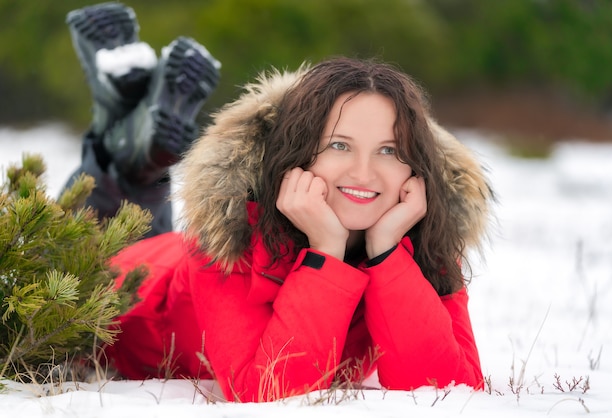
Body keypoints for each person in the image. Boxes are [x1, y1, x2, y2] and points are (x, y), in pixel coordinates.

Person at [97, 55, 495, 402]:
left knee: (134, 198)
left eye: (389, 150)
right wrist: (326, 253)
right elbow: (270, 391)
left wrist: (388, 253)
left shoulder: (421, 239)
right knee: (98, 214)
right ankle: (118, 135)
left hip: (160, 249)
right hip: (120, 283)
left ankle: (134, 150)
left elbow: (447, 388)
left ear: (414, 169)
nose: (363, 173)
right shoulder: (227, 238)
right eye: (339, 145)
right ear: (298, 153)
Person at [63, 2, 221, 236]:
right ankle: (131, 135)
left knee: (66, 240)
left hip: (95, 249)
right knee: (145, 257)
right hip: (149, 247)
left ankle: (118, 119)